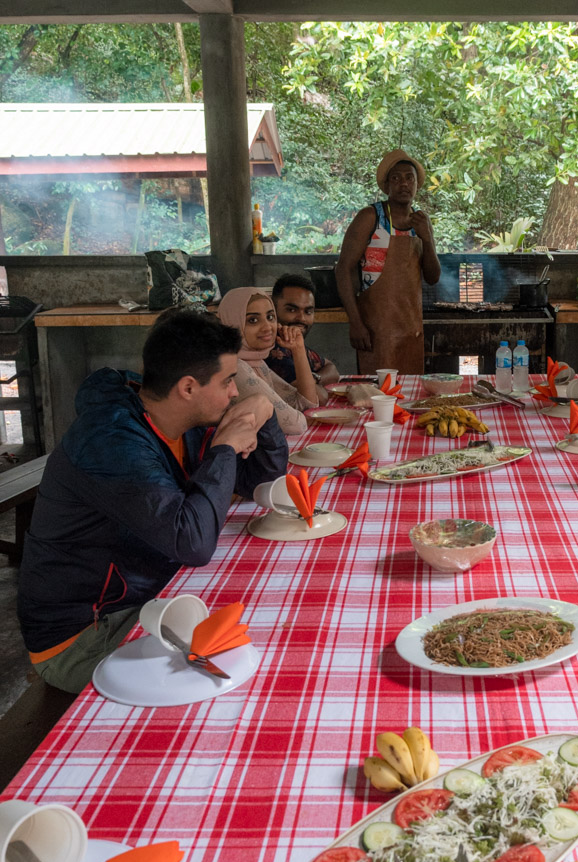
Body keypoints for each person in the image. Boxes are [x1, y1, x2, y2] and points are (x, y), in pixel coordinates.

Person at [17, 309, 288, 693]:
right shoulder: (112, 442)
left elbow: (261, 482)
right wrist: (225, 446)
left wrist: (265, 411)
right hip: (83, 637)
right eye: (229, 381)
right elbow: (192, 543)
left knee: (263, 614)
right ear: (188, 387)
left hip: (149, 592)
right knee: (252, 655)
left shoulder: (180, 417)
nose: (234, 392)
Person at [335, 149, 441, 374]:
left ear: (416, 185)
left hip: (410, 328)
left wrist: (427, 238)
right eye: (396, 178)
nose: (404, 183)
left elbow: (433, 277)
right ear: (387, 185)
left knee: (410, 395)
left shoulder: (421, 221)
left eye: (409, 178)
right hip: (375, 329)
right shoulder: (370, 217)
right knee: (377, 395)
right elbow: (343, 269)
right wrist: (355, 323)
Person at [217, 287, 316, 436]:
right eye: (253, 320)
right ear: (231, 322)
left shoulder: (256, 362)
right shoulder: (235, 368)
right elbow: (296, 424)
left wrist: (298, 349)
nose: (268, 327)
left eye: (270, 317)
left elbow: (306, 405)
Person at [267, 271, 341, 402]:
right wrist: (314, 383)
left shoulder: (292, 342)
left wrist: (313, 378)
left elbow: (332, 369)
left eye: (308, 311)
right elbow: (320, 398)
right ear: (273, 309)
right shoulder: (274, 349)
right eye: (291, 310)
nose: (301, 318)